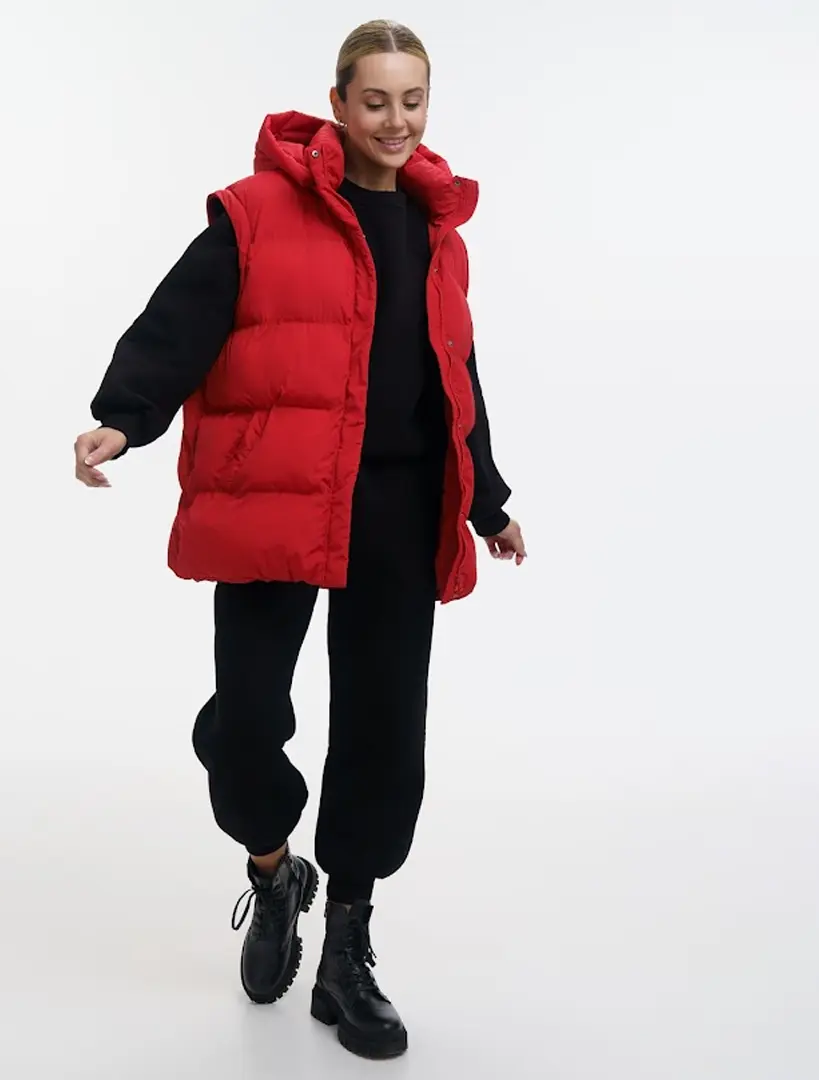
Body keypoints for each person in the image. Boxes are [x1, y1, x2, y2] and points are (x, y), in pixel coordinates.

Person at [72, 19, 527, 1061]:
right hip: (280, 495)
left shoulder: (436, 231)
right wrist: (123, 417)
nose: (397, 121)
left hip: (399, 507)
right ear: (338, 104)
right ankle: (276, 872)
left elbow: (455, 373)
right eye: (376, 101)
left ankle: (346, 949)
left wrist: (488, 501)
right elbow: (180, 322)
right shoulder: (258, 213)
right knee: (242, 725)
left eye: (413, 101)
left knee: (382, 730)